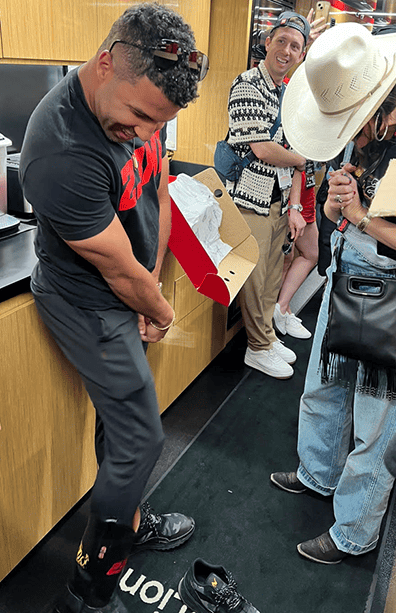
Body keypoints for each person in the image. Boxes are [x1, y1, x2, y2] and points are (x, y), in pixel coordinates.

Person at [19, 4, 204, 611]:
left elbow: (158, 180)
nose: (148, 132)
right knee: (141, 441)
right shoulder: (60, 150)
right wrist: (158, 305)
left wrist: (153, 275)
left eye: (160, 121)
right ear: (105, 64)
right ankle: (88, 590)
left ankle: (129, 517)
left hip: (127, 289)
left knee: (121, 430)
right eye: (140, 117)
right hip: (88, 303)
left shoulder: (144, 101)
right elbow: (118, 271)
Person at [270, 23, 396, 565]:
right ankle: (318, 473)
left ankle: (355, 530)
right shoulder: (365, 137)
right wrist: (337, 209)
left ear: (383, 103)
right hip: (349, 270)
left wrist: (360, 216)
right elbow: (343, 214)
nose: (350, 137)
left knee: (378, 413)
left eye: (355, 126)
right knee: (325, 386)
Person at [224, 11, 310, 380]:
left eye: (295, 46)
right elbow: (263, 148)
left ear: (302, 54)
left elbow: (287, 151)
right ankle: (257, 349)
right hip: (248, 200)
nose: (286, 50)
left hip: (278, 200)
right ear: (267, 43)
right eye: (282, 41)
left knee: (273, 274)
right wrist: (306, 158)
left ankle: (268, 337)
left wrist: (293, 205)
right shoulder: (247, 84)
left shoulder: (285, 92)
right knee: (255, 278)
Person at [273, 160, 318, 340]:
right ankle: (280, 314)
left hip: (306, 190)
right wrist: (293, 206)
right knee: (285, 259)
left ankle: (282, 308)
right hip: (286, 191)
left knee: (311, 253)